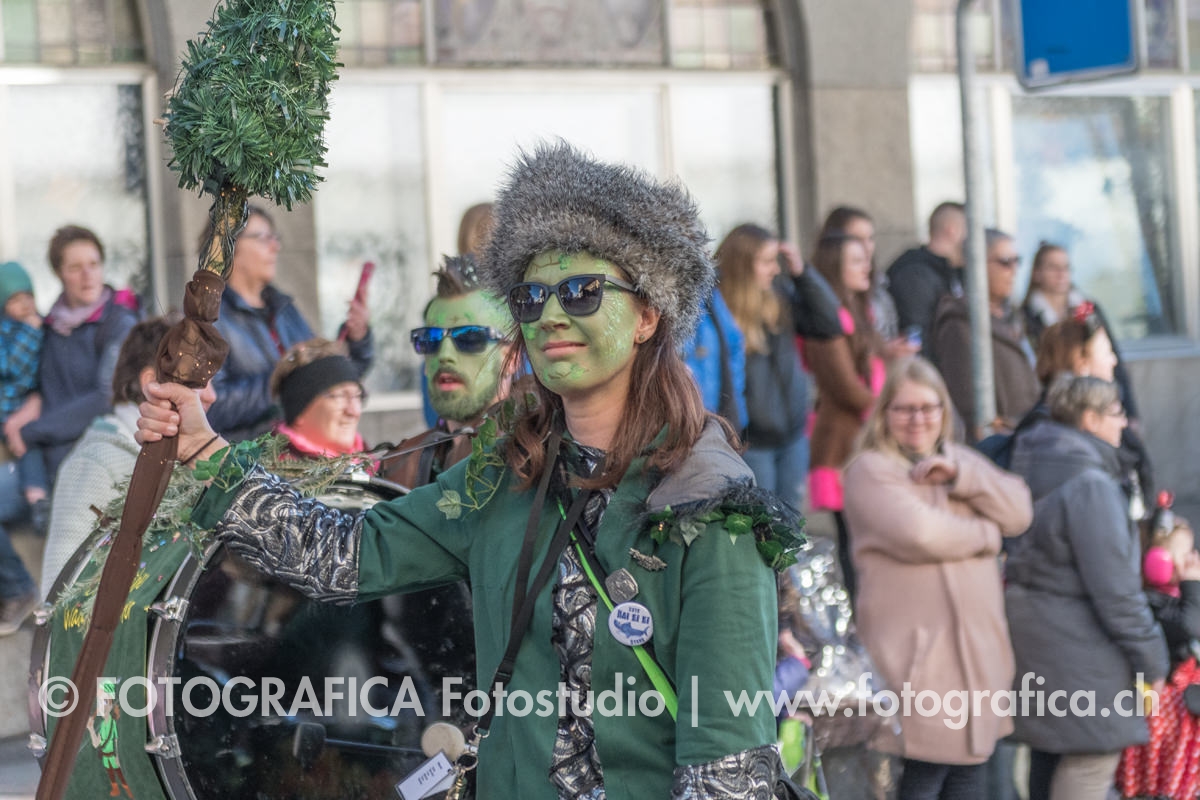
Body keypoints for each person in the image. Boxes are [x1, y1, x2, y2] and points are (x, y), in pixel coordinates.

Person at [138, 142, 798, 799]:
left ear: (648, 315)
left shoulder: (710, 510)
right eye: (531, 297)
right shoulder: (503, 478)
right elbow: (343, 554)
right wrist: (204, 452)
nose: (551, 315)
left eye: (582, 292)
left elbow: (728, 777)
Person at [843, 356, 1032, 799]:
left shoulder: (959, 462)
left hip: (977, 659)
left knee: (969, 778)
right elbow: (920, 534)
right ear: (885, 413)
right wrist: (988, 534)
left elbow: (1020, 510)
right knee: (922, 779)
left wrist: (964, 476)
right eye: (905, 409)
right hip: (915, 661)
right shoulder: (870, 470)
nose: (918, 419)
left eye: (929, 407)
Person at [1005, 374, 1168, 800]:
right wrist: (1153, 660)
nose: (1124, 423)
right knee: (1091, 760)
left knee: (1048, 757)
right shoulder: (1091, 485)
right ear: (1090, 419)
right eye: (1116, 413)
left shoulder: (1032, 462)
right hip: (1078, 648)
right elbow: (1117, 592)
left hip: (1036, 636)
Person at [40, 314, 217, 599]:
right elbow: (60, 588)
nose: (211, 396)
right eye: (199, 381)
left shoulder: (188, 456)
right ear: (152, 383)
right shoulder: (96, 462)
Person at [206, 205, 374, 441]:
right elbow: (209, 407)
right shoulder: (210, 318)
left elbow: (332, 380)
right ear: (229, 246)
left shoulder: (284, 309)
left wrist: (357, 340)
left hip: (304, 449)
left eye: (275, 238)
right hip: (251, 456)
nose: (275, 246)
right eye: (263, 238)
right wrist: (286, 378)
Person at [3, 225, 139, 499]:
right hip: (46, 459)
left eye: (94, 264)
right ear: (58, 273)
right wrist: (31, 403)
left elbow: (106, 396)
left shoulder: (119, 323)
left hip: (98, 460)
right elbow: (35, 381)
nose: (88, 275)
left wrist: (30, 431)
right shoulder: (48, 326)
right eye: (75, 267)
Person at [802, 231, 886, 604]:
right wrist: (889, 409)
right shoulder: (829, 316)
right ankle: (861, 617)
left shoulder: (858, 309)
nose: (867, 266)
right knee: (853, 542)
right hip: (842, 444)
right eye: (856, 260)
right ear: (835, 268)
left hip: (864, 437)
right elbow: (843, 385)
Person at [384, 254, 516, 489]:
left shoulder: (538, 457)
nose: (444, 355)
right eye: (430, 339)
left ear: (512, 357)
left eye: (469, 337)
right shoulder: (399, 466)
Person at [716, 223, 812, 511]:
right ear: (743, 265)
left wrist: (803, 273)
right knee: (761, 524)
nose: (776, 269)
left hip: (793, 434)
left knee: (792, 523)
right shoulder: (717, 310)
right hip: (753, 442)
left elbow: (827, 322)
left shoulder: (779, 297)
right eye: (767, 261)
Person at [1033, 308, 1153, 518]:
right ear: (1082, 364)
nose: (1114, 361)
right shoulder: (1055, 431)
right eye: (1106, 352)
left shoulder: (1091, 417)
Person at [930, 228, 1039, 440]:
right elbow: (967, 403)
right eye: (1005, 262)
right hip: (996, 443)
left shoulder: (1012, 315)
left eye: (1017, 261)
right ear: (977, 266)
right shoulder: (959, 322)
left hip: (1026, 434)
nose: (1014, 270)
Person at [886, 201, 966, 354]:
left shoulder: (952, 271)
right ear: (952, 231)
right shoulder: (914, 275)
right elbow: (918, 340)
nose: (978, 242)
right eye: (971, 231)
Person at [270, 338, 370, 459]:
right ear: (300, 412)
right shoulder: (272, 469)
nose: (353, 411)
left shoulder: (374, 465)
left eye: (357, 396)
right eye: (340, 396)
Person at [819, 206, 904, 346]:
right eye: (857, 239)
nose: (866, 247)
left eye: (870, 239)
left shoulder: (878, 282)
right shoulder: (824, 303)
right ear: (834, 246)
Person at [681, 287, 748, 432]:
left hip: (717, 420)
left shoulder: (708, 293)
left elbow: (734, 344)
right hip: (677, 425)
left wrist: (733, 402)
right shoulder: (654, 296)